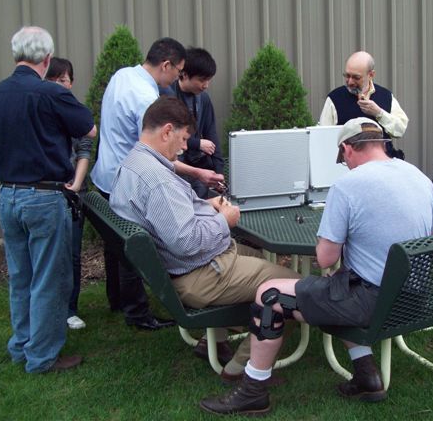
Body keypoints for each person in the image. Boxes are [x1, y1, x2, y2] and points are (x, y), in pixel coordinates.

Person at [200, 117, 433, 415]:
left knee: (269, 295)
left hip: (373, 303)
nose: (346, 166)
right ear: (381, 144)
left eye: (343, 160)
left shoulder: (348, 186)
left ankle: (253, 391)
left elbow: (326, 258)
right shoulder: (417, 175)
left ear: (348, 149)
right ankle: (366, 376)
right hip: (412, 299)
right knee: (340, 283)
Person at [109, 95, 301, 381]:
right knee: (294, 288)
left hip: (184, 267)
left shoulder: (134, 163)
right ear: (167, 131)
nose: (185, 147)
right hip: (199, 274)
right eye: (184, 139)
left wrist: (204, 205)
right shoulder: (159, 180)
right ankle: (243, 369)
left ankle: (216, 341)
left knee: (257, 257)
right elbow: (187, 242)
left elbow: (168, 215)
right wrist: (225, 220)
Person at [0, 26, 97, 373]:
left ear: (15, 55)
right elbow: (89, 129)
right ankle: (42, 357)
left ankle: (21, 346)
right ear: (47, 59)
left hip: (8, 195)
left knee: (21, 276)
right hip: (44, 196)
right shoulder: (52, 93)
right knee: (49, 278)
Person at [90, 37, 224, 330]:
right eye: (177, 71)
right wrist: (198, 172)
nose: (177, 78)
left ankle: (117, 300)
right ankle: (138, 314)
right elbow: (158, 154)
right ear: (166, 65)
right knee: (135, 247)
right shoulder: (147, 99)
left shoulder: (123, 75)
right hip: (129, 179)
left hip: (106, 174)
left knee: (115, 244)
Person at [45, 57, 90, 330]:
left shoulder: (76, 112)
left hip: (73, 192)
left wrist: (76, 183)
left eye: (64, 80)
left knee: (72, 253)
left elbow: (84, 150)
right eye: (53, 79)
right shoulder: (41, 112)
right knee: (49, 254)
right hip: (46, 192)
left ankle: (70, 309)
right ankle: (48, 308)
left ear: (71, 83)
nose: (59, 85)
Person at [319, 51, 408, 158]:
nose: (350, 82)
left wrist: (379, 113)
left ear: (371, 75)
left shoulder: (386, 96)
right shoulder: (335, 98)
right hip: (348, 165)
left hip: (383, 163)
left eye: (356, 77)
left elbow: (400, 130)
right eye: (347, 76)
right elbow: (323, 137)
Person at [170, 47, 224, 199]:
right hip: (175, 167)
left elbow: (212, 134)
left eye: (208, 80)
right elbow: (166, 136)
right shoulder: (168, 96)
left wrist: (219, 173)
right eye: (201, 80)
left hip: (198, 165)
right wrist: (197, 144)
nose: (206, 85)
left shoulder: (203, 99)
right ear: (184, 74)